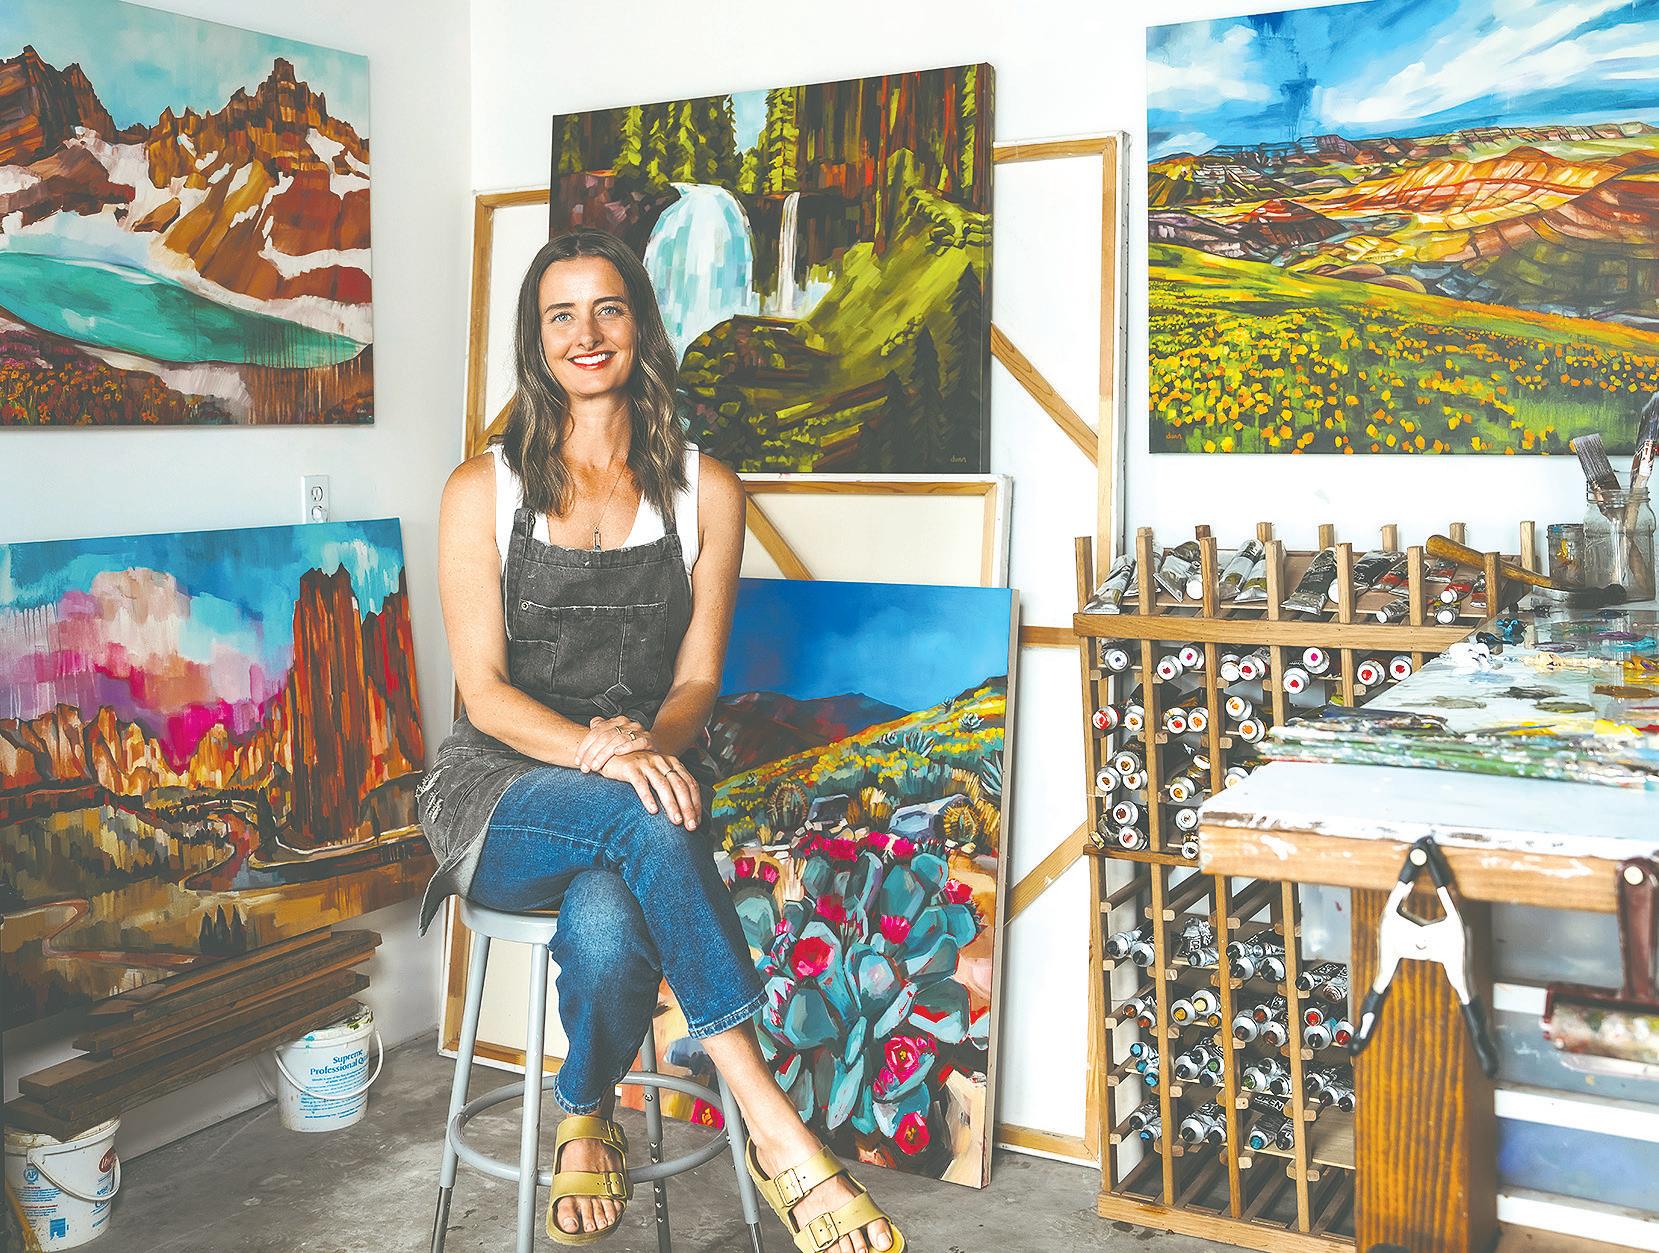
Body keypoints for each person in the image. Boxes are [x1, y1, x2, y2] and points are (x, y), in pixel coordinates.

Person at [417, 228, 901, 1252]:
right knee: (638, 816)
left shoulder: (704, 488)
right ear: (535, 340)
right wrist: (609, 753)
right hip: (499, 795)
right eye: (560, 314)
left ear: (640, 324)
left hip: (646, 783)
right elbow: (485, 696)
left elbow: (694, 684)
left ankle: (583, 1111)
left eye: (608, 308)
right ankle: (775, 1125)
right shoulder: (479, 490)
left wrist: (649, 746)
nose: (585, 333)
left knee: (605, 919)